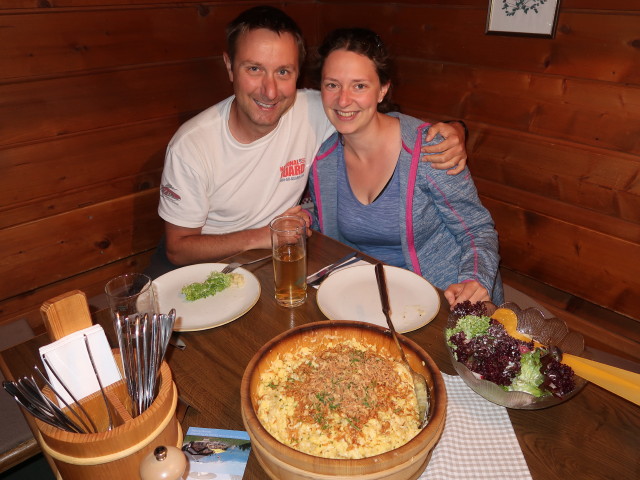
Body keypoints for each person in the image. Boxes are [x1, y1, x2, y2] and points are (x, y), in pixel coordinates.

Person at [146, 6, 468, 279]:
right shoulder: (191, 145)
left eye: (283, 72)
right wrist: (265, 236)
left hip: (269, 262)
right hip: (198, 265)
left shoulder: (320, 107)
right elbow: (177, 248)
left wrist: (455, 129)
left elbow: (368, 110)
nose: (270, 91)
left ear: (298, 75)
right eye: (254, 69)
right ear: (230, 66)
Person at [308, 28, 503, 306]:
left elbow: (477, 229)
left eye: (359, 85)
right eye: (332, 85)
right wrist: (304, 218)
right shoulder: (324, 159)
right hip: (365, 295)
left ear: (383, 89)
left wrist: (475, 279)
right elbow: (328, 219)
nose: (343, 100)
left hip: (442, 296)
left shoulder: (430, 149)